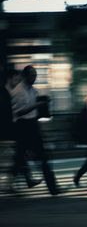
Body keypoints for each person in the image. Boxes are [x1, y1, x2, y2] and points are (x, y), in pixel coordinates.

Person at [11, 65, 60, 195]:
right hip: (22, 127)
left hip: (32, 125)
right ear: (25, 76)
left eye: (35, 76)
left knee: (40, 157)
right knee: (21, 157)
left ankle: (53, 188)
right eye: (32, 75)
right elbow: (19, 112)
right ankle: (13, 182)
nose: (34, 78)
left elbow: (35, 112)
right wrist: (37, 105)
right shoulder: (18, 91)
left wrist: (43, 109)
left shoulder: (34, 91)